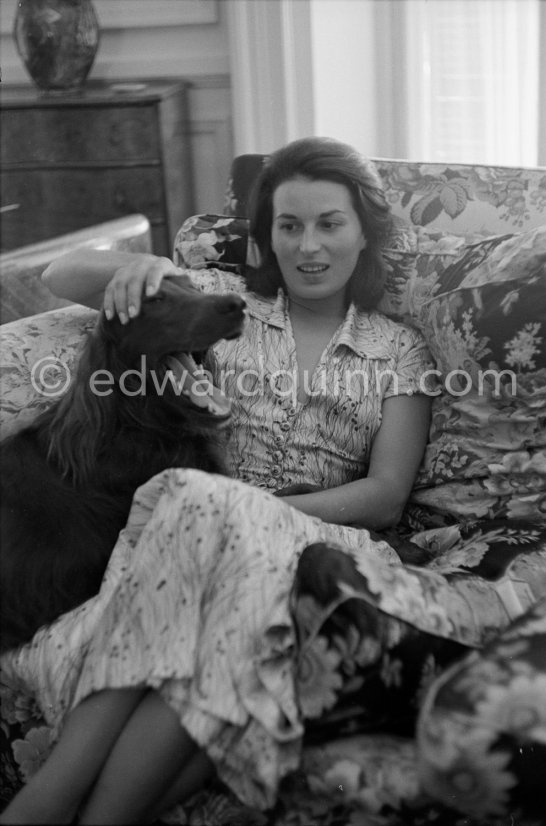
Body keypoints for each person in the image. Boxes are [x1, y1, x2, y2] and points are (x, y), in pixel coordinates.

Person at [0, 137, 434, 824]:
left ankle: (43, 806)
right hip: (189, 542)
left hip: (305, 535)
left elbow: (385, 496)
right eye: (288, 226)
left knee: (201, 499)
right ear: (265, 240)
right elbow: (61, 274)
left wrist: (244, 507)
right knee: (222, 637)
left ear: (363, 233)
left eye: (329, 223)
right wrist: (141, 265)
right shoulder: (221, 302)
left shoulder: (399, 349)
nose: (308, 245)